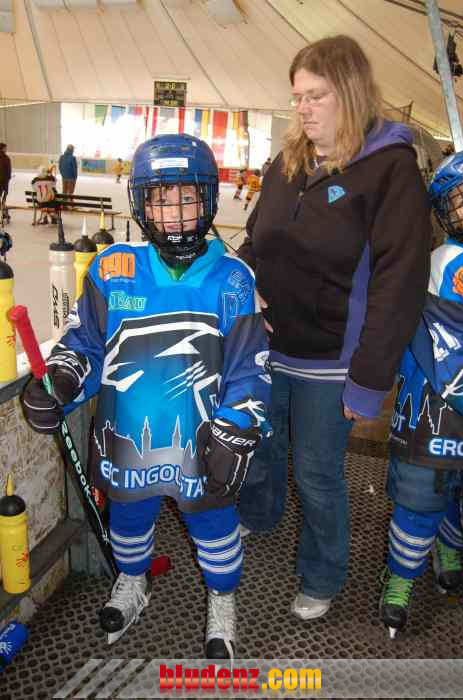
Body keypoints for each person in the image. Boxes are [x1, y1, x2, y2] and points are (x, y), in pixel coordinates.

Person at [20, 134, 270, 660]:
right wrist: (62, 379)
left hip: (201, 440)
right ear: (141, 203)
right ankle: (133, 579)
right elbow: (87, 343)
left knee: (214, 526)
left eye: (187, 197)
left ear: (208, 200)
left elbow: (249, 366)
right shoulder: (113, 269)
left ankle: (222, 597)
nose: (174, 213)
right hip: (128, 435)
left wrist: (238, 425)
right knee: (129, 520)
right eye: (161, 198)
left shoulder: (233, 279)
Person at [236, 35, 432, 621]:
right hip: (270, 347)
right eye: (297, 96)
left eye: (316, 96)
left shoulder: (390, 169)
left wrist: (369, 380)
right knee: (261, 445)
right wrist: (245, 281)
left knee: (317, 472)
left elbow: (400, 283)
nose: (303, 108)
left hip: (333, 361)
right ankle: (259, 515)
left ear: (349, 92)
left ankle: (323, 574)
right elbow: (256, 240)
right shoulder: (286, 164)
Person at [381, 151, 463, 638]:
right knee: (421, 498)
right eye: (462, 200)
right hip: (433, 410)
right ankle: (400, 579)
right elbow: (441, 350)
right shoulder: (441, 264)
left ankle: (448, 549)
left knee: (455, 490)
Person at [0, 143, 12, 222]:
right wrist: (8, 177)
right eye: (5, 148)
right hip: (4, 181)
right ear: (2, 149)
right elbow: (8, 170)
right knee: (4, 197)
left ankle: (3, 211)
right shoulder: (6, 158)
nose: (6, 149)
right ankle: (3, 212)